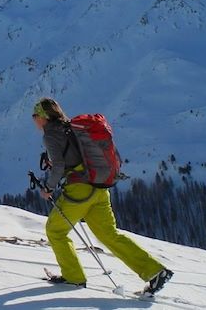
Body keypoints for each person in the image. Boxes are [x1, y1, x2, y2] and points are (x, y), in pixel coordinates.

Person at [32, 97, 173, 294]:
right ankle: (155, 271)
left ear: (43, 116)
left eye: (35, 115)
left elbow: (59, 166)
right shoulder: (71, 127)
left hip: (79, 190)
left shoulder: (50, 134)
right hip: (98, 186)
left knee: (55, 231)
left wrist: (48, 187)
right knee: (109, 234)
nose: (34, 120)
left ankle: (74, 278)